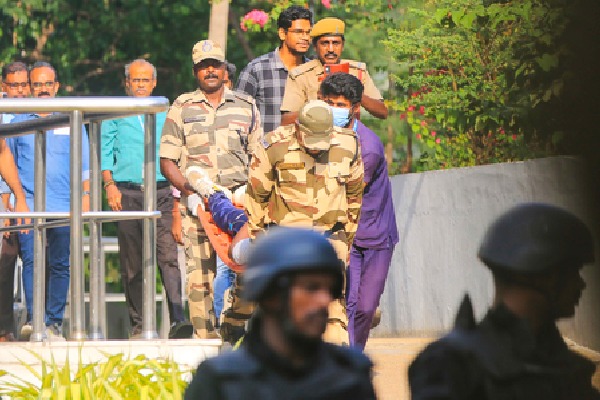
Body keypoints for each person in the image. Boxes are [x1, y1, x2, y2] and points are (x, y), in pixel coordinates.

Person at [409, 203, 600, 400]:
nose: (581, 284)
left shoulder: (567, 368)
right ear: (539, 276)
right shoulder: (453, 364)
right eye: (573, 272)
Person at [184, 227, 377, 400]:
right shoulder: (221, 381)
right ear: (270, 294)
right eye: (311, 288)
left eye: (329, 290)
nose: (323, 300)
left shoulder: (349, 376)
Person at [160, 39, 261, 340]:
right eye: (203, 67)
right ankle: (205, 341)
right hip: (197, 205)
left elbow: (259, 159)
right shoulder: (181, 107)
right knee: (199, 277)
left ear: (224, 68)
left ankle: (234, 326)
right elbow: (167, 161)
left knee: (245, 268)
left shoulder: (246, 106)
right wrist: (188, 193)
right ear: (195, 71)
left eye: (215, 65)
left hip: (238, 201)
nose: (210, 71)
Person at [245, 99, 364, 344]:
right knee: (287, 307)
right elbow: (256, 197)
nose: (316, 149)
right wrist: (259, 241)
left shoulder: (348, 144)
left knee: (331, 308)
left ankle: (334, 356)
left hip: (331, 238)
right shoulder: (274, 145)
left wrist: (347, 241)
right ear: (298, 128)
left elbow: (354, 196)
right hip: (286, 241)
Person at [101, 59, 192, 339]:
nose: (140, 85)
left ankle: (178, 319)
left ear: (154, 83)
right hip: (128, 192)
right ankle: (139, 325)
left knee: (168, 256)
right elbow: (105, 151)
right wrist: (109, 185)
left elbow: (178, 154)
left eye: (145, 80)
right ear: (127, 83)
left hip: (161, 192)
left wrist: (177, 202)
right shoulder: (115, 113)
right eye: (135, 80)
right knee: (133, 263)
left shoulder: (166, 112)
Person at [7, 61, 90, 341]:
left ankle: (53, 322)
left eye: (47, 84)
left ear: (56, 86)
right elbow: (8, 164)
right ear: (31, 88)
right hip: (29, 204)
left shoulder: (71, 119)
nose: (43, 89)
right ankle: (35, 320)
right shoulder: (18, 122)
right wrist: (12, 201)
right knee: (31, 260)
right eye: (37, 84)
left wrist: (86, 196)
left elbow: (84, 162)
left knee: (60, 263)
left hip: (64, 204)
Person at [320, 73, 399, 350]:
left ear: (355, 108)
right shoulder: (316, 136)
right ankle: (347, 361)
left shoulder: (369, 147)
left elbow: (347, 191)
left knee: (367, 308)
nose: (333, 110)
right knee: (348, 302)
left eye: (340, 105)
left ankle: (353, 354)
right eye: (329, 103)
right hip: (344, 233)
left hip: (375, 235)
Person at [280, 17, 388, 125]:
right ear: (315, 46)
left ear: (343, 45)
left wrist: (356, 93)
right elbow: (286, 120)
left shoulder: (357, 71)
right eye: (325, 43)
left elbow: (382, 112)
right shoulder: (301, 75)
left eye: (336, 43)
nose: (331, 49)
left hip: (349, 134)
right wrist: (315, 107)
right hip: (313, 134)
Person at [236, 5, 312, 133]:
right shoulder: (257, 70)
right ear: (282, 34)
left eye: (308, 32)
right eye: (298, 32)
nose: (305, 37)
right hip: (266, 145)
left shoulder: (312, 72)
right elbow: (237, 117)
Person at [0, 61, 31, 342]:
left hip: (22, 201)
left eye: (24, 85)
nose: (20, 90)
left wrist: (15, 198)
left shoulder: (37, 113)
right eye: (14, 85)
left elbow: (3, 155)